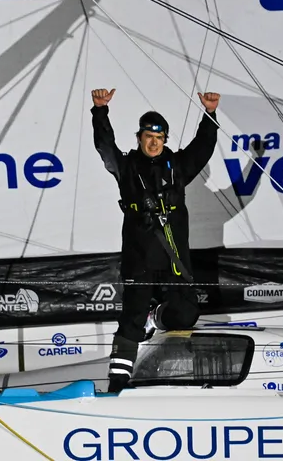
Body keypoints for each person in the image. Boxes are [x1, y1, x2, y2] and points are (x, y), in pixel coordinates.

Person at [90, 87, 220, 393]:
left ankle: (156, 318)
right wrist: (100, 111)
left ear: (165, 140)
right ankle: (118, 383)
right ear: (139, 137)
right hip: (140, 259)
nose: (153, 142)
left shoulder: (177, 166)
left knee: (186, 314)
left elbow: (203, 147)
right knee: (131, 320)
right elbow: (105, 146)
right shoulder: (126, 166)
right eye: (148, 136)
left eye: (159, 137)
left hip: (174, 261)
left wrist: (210, 114)